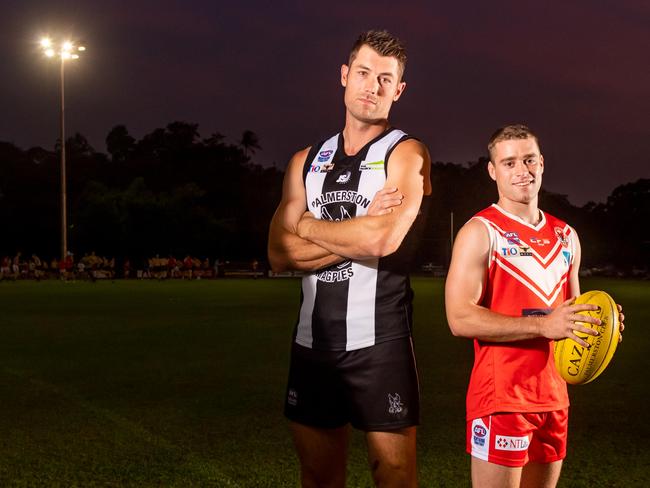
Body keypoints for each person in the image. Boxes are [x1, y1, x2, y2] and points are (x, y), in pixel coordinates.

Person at [268, 29, 431, 487]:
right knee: (318, 477)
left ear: (397, 90)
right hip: (311, 346)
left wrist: (306, 226)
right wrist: (357, 229)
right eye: (363, 72)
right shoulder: (305, 160)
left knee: (394, 475)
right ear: (344, 76)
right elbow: (278, 253)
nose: (372, 86)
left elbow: (382, 241)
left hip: (381, 344)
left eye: (385, 78)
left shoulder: (406, 153)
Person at [445, 124, 625, 488]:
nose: (521, 170)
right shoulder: (481, 231)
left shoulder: (566, 235)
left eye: (528, 160)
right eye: (509, 163)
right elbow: (459, 317)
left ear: (542, 164)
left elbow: (571, 315)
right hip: (502, 397)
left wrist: (602, 326)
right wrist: (544, 327)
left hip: (555, 396)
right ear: (493, 171)